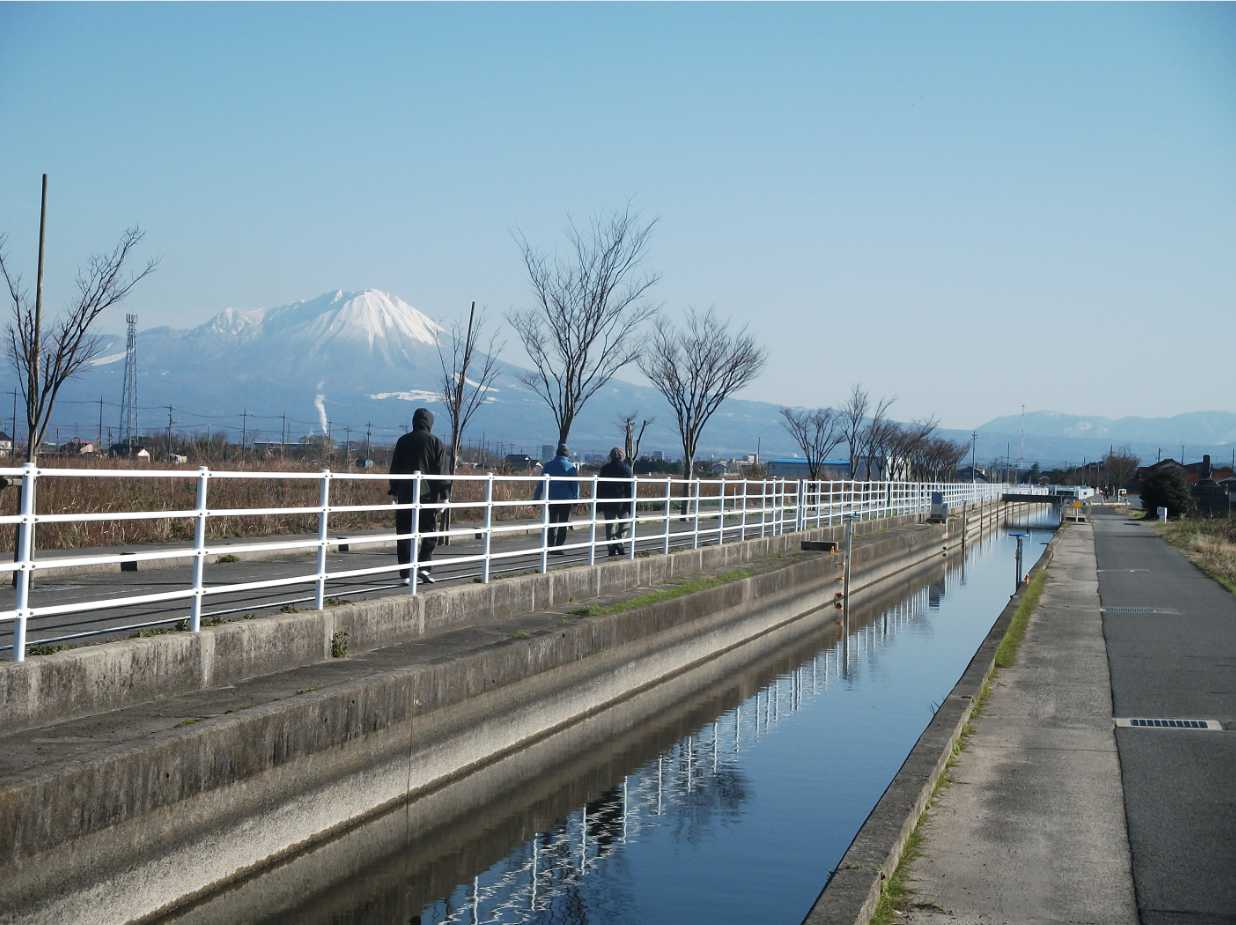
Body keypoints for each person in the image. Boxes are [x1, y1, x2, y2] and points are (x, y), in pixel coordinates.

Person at [388, 408, 449, 585]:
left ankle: (406, 573)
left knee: (404, 533)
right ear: (430, 423)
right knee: (429, 532)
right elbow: (442, 472)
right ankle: (423, 567)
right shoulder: (435, 442)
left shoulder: (403, 441)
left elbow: (395, 469)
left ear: (414, 421)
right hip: (427, 494)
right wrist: (445, 495)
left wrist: (394, 491)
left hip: (405, 492)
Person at [534, 443, 579, 554]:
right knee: (563, 524)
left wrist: (536, 498)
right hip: (566, 499)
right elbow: (575, 485)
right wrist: (576, 499)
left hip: (551, 498)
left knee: (551, 523)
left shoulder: (548, 466)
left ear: (556, 453)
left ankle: (550, 545)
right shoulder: (570, 467)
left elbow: (541, 484)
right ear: (567, 454)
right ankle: (558, 547)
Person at [597, 447, 634, 557]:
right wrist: (630, 505)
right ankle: (619, 542)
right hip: (622, 502)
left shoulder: (605, 468)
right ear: (622, 456)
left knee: (610, 526)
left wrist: (599, 502)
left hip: (608, 501)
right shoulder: (626, 469)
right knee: (625, 524)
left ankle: (611, 548)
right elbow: (629, 488)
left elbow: (600, 486)